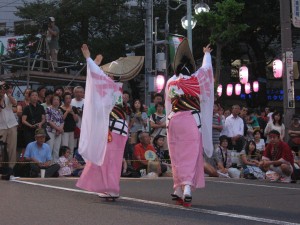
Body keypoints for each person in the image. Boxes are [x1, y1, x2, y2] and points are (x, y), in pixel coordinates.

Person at [165, 40, 214, 207]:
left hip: (173, 120)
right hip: (191, 120)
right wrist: (206, 54)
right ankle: (187, 188)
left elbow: (167, 105)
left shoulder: (171, 82)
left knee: (176, 155)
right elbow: (206, 70)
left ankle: (177, 189)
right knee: (191, 155)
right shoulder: (195, 80)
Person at [76, 44, 128, 199]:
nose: (106, 74)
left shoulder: (110, 86)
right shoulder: (117, 87)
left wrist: (89, 59)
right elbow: (97, 77)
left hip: (113, 128)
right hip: (119, 127)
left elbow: (97, 77)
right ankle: (106, 187)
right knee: (107, 158)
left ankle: (111, 188)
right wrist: (94, 64)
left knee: (109, 160)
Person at [0, 82, 18, 168]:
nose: (3, 89)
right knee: (0, 149)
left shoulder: (8, 96)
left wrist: (8, 94)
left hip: (12, 124)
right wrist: (1, 96)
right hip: (1, 126)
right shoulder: (2, 97)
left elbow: (15, 103)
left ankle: (11, 169)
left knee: (12, 148)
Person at [45, 94, 64, 162]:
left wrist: (60, 129)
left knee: (57, 148)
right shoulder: (48, 109)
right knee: (50, 148)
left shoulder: (60, 110)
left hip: (58, 132)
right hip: (50, 131)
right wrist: (58, 129)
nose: (56, 101)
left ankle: (55, 163)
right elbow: (49, 121)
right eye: (54, 99)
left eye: (57, 99)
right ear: (51, 101)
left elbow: (62, 121)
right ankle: (48, 163)